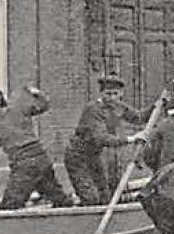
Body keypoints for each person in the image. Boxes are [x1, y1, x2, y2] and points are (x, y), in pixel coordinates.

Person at [0, 87, 76, 210]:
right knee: (59, 199)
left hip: (24, 166)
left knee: (9, 206)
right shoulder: (18, 111)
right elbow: (44, 106)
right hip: (42, 160)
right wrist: (38, 94)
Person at [64, 75, 151, 205]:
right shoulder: (93, 110)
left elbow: (138, 117)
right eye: (108, 94)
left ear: (121, 93)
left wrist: (157, 105)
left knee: (105, 194)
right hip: (78, 157)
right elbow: (102, 138)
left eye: (115, 94)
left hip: (93, 156)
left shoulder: (118, 107)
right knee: (91, 197)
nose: (111, 98)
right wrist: (131, 139)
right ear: (101, 93)